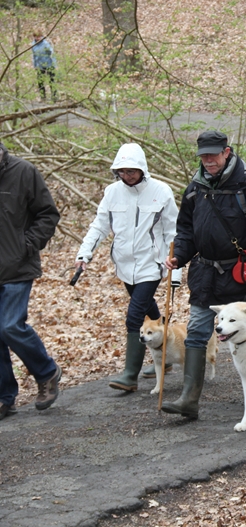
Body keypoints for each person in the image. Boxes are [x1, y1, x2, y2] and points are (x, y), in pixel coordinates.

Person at [162, 131, 246, 420]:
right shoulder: (195, 188)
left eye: (213, 155)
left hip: (240, 273)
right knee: (196, 334)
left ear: (227, 152)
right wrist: (180, 256)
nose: (208, 160)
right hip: (205, 274)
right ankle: (189, 399)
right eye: (204, 155)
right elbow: (186, 230)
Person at [75, 143, 179, 392]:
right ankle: (163, 357)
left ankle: (129, 375)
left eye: (131, 171)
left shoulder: (161, 191)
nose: (127, 175)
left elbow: (173, 231)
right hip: (124, 264)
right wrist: (84, 254)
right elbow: (99, 226)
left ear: (142, 168)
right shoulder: (112, 192)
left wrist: (177, 268)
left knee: (134, 316)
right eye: (122, 171)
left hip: (151, 264)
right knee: (150, 312)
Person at [0, 142, 62, 420]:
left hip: (17, 267)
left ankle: (47, 372)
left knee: (10, 326)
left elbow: (48, 214)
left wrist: (27, 245)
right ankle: (5, 398)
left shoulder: (24, 171)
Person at [32, 31, 57, 102]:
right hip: (39, 65)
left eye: (39, 37)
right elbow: (34, 56)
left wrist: (54, 64)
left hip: (49, 64)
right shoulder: (33, 44)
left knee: (51, 81)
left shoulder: (46, 44)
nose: (37, 38)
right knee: (40, 81)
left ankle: (54, 97)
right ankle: (43, 97)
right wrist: (35, 65)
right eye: (36, 37)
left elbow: (52, 53)